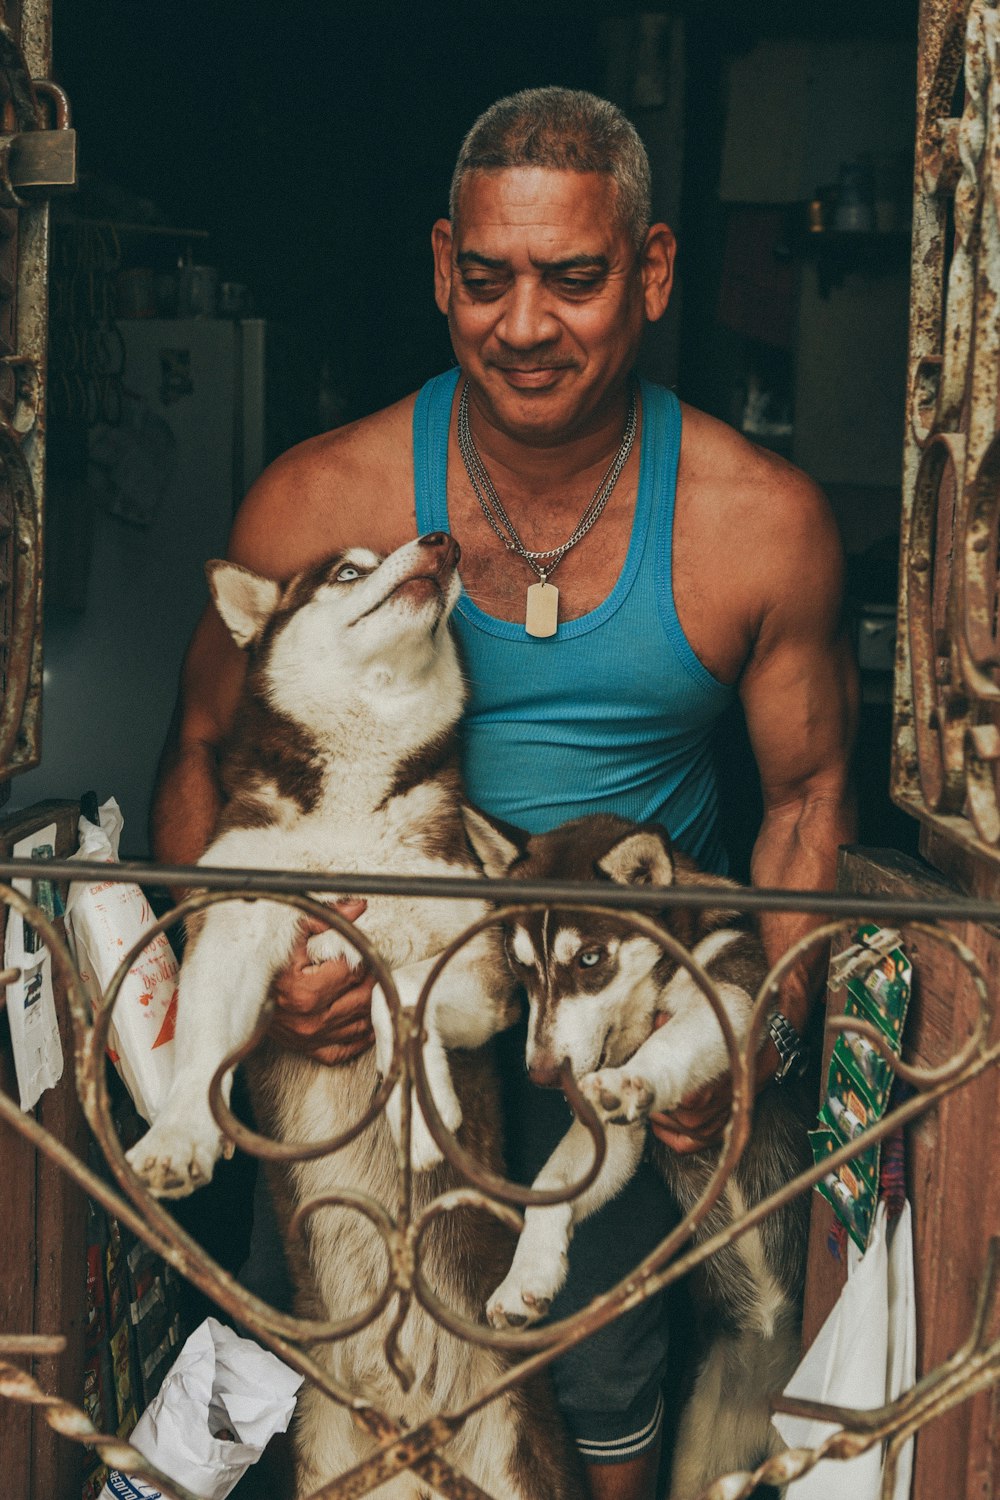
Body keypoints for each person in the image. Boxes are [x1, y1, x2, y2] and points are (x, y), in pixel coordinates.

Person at [151, 87, 857, 1500]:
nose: (523, 324)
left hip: (611, 1000)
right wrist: (253, 965)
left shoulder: (757, 523)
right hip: (374, 999)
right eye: (487, 279)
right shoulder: (321, 502)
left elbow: (808, 803)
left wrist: (744, 1051)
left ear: (653, 273)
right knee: (315, 1354)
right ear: (439, 270)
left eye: (575, 279)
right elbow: (194, 766)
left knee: (600, 1374)